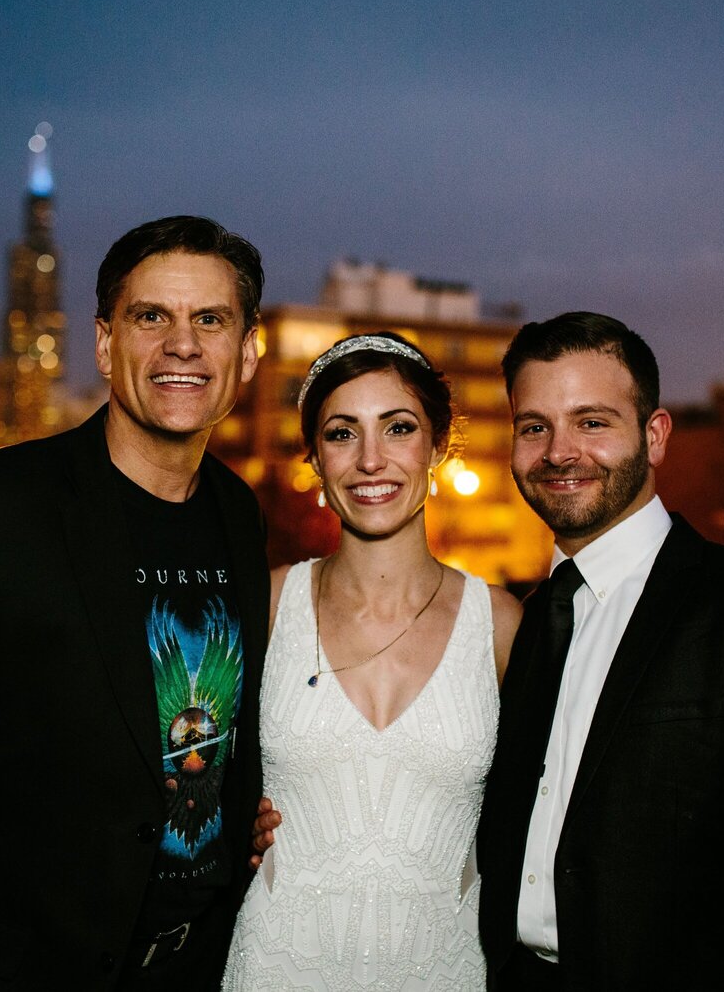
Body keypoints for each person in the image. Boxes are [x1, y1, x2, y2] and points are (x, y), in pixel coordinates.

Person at [0, 216, 270, 990]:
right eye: (151, 317)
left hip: (198, 969)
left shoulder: (239, 516)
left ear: (248, 350)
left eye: (211, 318)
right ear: (105, 344)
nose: (183, 343)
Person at [477, 312, 724, 990]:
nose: (558, 451)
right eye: (534, 426)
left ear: (654, 436)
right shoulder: (530, 622)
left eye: (592, 421)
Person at [222, 333, 522, 991]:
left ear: (438, 447)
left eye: (398, 427)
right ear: (315, 458)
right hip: (276, 965)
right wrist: (221, 818)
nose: (370, 459)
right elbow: (183, 767)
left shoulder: (500, 626)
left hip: (448, 971)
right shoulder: (265, 605)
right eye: (341, 433)